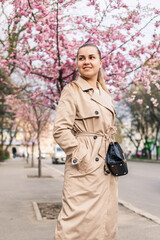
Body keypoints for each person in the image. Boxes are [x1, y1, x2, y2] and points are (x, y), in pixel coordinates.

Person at [53, 43, 118, 240]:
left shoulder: (105, 94)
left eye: (91, 57)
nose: (86, 62)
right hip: (84, 165)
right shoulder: (72, 90)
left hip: (106, 167)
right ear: (77, 63)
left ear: (100, 62)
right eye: (81, 58)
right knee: (76, 221)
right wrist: (83, 157)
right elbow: (60, 129)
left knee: (104, 220)